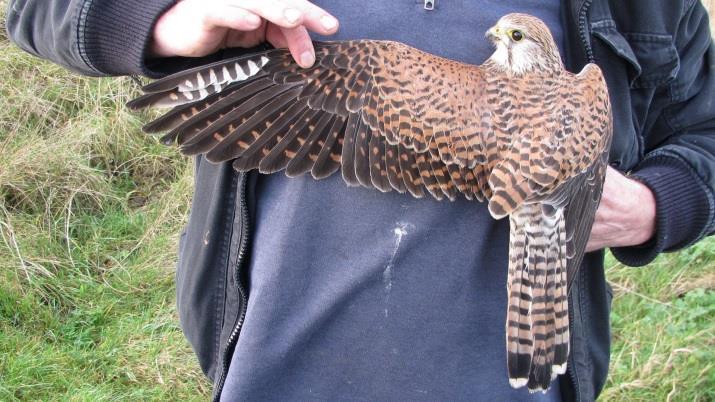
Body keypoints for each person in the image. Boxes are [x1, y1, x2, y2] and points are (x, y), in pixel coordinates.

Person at [7, 0, 715, 400]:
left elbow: (703, 133)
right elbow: (37, 10)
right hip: (282, 374)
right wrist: (160, 17)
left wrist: (655, 204)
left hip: (512, 381)